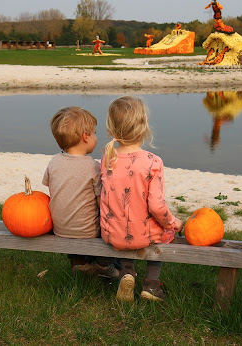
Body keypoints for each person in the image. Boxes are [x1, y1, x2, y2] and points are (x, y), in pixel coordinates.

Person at [100, 96, 183, 302]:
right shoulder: (153, 162)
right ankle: (151, 285)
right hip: (145, 236)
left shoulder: (107, 158)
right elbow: (156, 206)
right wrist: (174, 223)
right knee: (165, 232)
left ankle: (127, 271)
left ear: (111, 129)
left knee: (124, 231)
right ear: (144, 125)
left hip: (113, 235)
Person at [42, 106, 118, 278]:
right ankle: (103, 263)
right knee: (104, 221)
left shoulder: (54, 162)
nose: (96, 137)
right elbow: (101, 203)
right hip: (88, 231)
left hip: (60, 228)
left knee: (73, 214)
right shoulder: (93, 166)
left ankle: (78, 262)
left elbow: (53, 189)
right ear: (85, 136)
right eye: (94, 133)